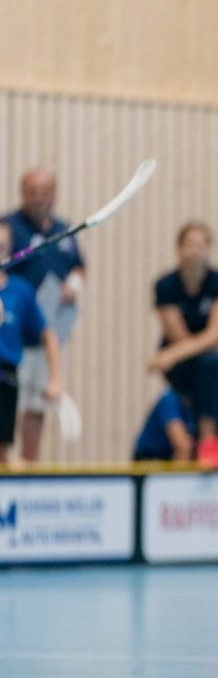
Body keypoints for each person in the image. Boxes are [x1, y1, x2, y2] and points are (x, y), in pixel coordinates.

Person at [3, 168, 84, 463]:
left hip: (43, 327)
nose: (39, 197)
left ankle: (29, 464)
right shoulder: (9, 226)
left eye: (45, 191)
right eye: (33, 191)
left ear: (54, 193)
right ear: (23, 192)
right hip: (11, 332)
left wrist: (75, 282)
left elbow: (78, 265)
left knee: (36, 405)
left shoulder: (64, 230)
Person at [149, 221, 218, 470]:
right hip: (181, 366)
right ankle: (208, 440)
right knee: (215, 362)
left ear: (209, 249)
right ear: (179, 249)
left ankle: (209, 441)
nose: (195, 250)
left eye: (201, 245)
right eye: (190, 244)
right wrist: (178, 353)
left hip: (185, 356)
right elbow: (180, 337)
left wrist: (171, 354)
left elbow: (215, 333)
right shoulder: (166, 285)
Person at [0, 222, 61, 467]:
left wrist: (55, 379)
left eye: (1, 246)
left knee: (3, 454)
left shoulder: (20, 290)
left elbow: (48, 335)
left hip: (6, 376)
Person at [132, 389, 197, 461]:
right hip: (150, 457)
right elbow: (182, 445)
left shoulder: (198, 404)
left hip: (169, 456)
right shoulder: (170, 399)